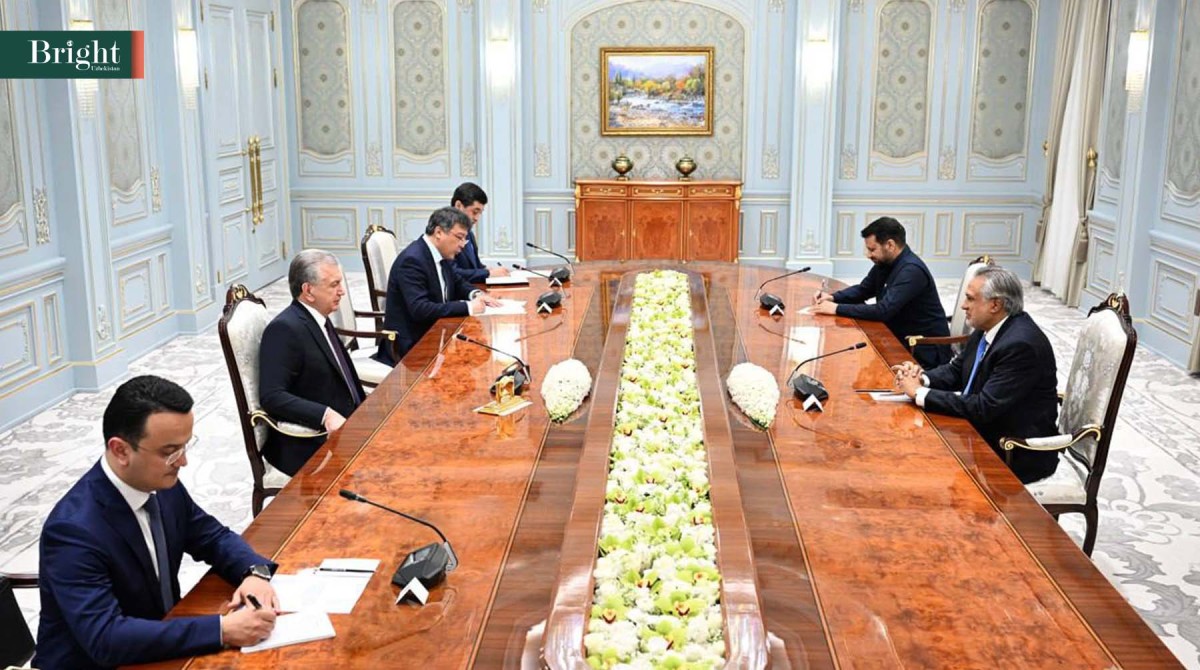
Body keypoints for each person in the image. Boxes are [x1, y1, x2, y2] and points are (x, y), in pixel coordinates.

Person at [35, 375, 279, 669]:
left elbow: (212, 536)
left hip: (161, 645)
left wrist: (254, 572)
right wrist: (222, 629)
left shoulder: (160, 484)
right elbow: (105, 638)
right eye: (170, 452)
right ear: (121, 450)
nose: (183, 462)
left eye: (185, 447)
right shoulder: (73, 531)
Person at [893, 266, 1060, 483]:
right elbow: (956, 370)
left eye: (971, 299)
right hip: (981, 432)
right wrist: (922, 378)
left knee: (920, 466)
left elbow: (983, 407)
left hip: (1012, 450)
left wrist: (919, 393)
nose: (963, 305)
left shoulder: (1020, 345)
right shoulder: (988, 327)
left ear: (995, 305)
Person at [259, 249, 366, 476]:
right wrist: (325, 415)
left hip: (350, 426)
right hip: (313, 443)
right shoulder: (284, 329)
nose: (342, 291)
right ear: (308, 291)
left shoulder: (319, 317)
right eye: (334, 285)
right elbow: (272, 396)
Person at [813, 216, 952, 368]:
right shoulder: (886, 263)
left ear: (890, 245)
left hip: (922, 349)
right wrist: (832, 297)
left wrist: (836, 309)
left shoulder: (911, 271)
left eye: (872, 249)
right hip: (898, 336)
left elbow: (883, 311)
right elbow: (864, 289)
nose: (868, 255)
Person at [377, 206, 502, 366]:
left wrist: (477, 294)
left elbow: (458, 282)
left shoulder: (441, 253)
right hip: (411, 349)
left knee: (478, 353)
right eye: (459, 237)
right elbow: (420, 309)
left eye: (464, 239)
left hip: (435, 335)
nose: (463, 245)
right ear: (438, 232)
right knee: (469, 363)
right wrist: (469, 307)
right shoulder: (412, 260)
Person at [450, 182, 509, 283]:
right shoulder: (446, 234)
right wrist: (487, 273)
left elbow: (474, 266)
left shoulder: (469, 234)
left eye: (480, 213)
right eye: (475, 212)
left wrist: (488, 270)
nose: (477, 218)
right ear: (458, 206)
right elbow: (451, 273)